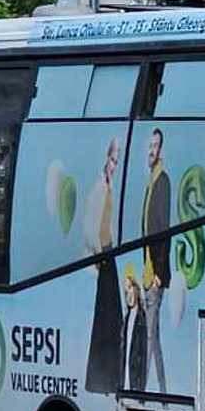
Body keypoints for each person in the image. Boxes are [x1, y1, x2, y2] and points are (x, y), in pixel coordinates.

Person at [84, 138, 123, 394]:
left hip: (111, 258)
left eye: (117, 162)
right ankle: (102, 380)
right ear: (105, 160)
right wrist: (98, 256)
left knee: (113, 321)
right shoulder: (100, 188)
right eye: (112, 160)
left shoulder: (110, 189)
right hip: (105, 260)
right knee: (107, 321)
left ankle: (109, 379)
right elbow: (90, 228)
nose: (114, 166)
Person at [140, 128, 171, 393]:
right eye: (150, 146)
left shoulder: (162, 182)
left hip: (155, 274)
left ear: (162, 150)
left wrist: (159, 271)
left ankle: (142, 390)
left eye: (156, 146)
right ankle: (161, 389)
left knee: (149, 335)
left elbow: (162, 228)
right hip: (150, 270)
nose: (152, 151)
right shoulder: (152, 180)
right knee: (155, 336)